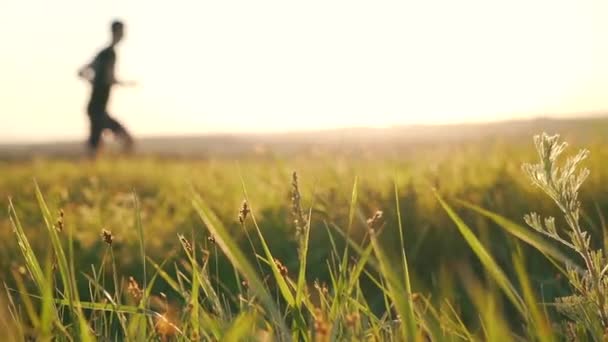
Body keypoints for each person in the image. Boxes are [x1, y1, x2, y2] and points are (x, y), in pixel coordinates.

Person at [78, 20, 135, 157]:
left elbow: (84, 72)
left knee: (96, 147)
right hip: (97, 109)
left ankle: (98, 171)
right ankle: (114, 168)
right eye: (122, 31)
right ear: (116, 32)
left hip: (97, 108)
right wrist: (98, 82)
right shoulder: (108, 54)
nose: (123, 35)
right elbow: (105, 78)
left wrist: (95, 81)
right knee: (125, 140)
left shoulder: (104, 53)